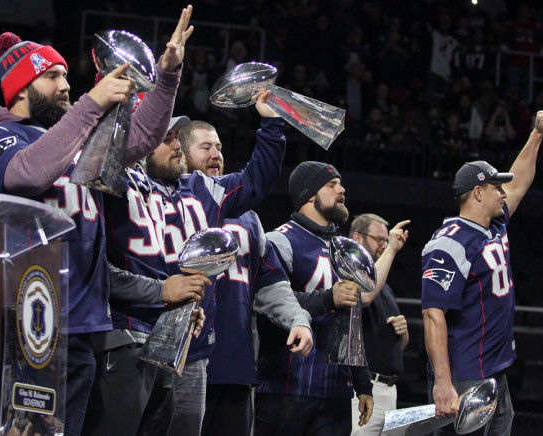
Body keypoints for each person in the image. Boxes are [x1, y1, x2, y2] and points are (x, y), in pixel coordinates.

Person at [0, 7, 193, 435]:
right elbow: (26, 173)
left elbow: (141, 139)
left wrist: (166, 77)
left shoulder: (74, 140)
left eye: (66, 76)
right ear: (21, 87)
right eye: (52, 76)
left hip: (82, 324)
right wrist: (92, 104)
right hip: (25, 328)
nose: (66, 85)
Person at [134, 92, 288, 436]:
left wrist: (271, 124)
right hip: (137, 338)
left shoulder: (201, 187)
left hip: (193, 348)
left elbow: (255, 181)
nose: (175, 146)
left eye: (177, 138)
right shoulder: (127, 187)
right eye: (167, 138)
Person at [421, 111, 543, 436]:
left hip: (493, 369)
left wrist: (537, 135)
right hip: (465, 372)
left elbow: (520, 181)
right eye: (497, 188)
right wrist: (442, 382)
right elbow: (432, 314)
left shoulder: (493, 225)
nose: (503, 193)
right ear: (478, 193)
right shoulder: (449, 243)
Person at [178, 122, 314, 436]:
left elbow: (270, 281)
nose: (216, 155)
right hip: (183, 357)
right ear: (182, 154)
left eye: (219, 148)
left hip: (234, 362)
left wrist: (297, 320)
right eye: (205, 148)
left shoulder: (248, 216)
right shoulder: (177, 203)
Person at [255, 161, 408, 436]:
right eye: (331, 184)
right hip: (287, 387)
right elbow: (271, 303)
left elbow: (352, 320)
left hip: (336, 391)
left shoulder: (345, 249)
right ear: (309, 194)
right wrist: (328, 299)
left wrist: (362, 384)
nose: (342, 189)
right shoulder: (279, 240)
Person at [81, 116, 211, 436]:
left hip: (158, 341)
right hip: (120, 335)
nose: (177, 145)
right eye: (165, 135)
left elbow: (154, 266)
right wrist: (161, 292)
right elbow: (91, 267)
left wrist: (178, 308)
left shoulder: (151, 185)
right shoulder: (106, 173)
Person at [349, 213, 410, 435]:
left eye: (387, 240)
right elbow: (365, 296)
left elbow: (393, 346)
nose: (385, 246)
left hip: (389, 389)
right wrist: (393, 249)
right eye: (380, 240)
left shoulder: (385, 288)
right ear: (358, 238)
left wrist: (402, 333)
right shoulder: (349, 275)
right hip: (364, 390)